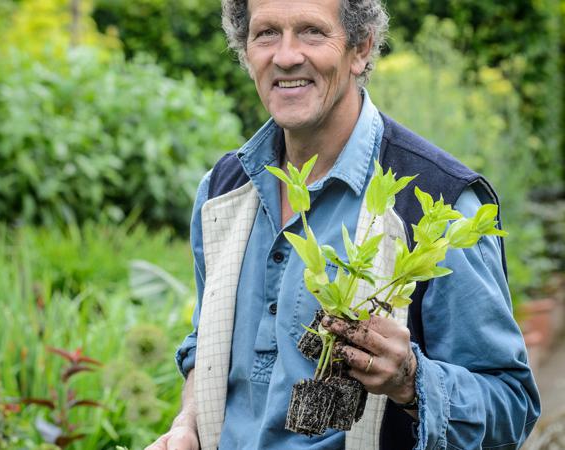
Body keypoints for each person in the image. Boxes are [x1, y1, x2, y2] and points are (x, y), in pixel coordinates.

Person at [146, 0, 541, 448]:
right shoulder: (223, 191)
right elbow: (208, 347)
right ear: (245, 48)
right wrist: (187, 423)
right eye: (266, 33)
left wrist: (411, 381)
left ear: (361, 48)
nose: (286, 56)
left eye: (312, 31)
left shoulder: (438, 206)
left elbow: (512, 406)